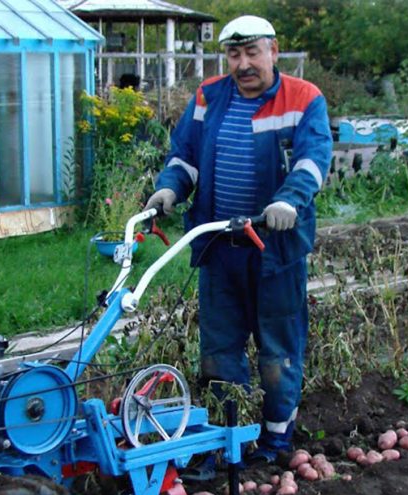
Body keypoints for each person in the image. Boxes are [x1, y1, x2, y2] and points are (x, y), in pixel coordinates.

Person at [144, 15, 332, 469]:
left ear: (273, 51)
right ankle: (227, 438)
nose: (244, 64)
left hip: (273, 250)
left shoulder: (303, 98)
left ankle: (274, 440)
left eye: (252, 53)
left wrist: (289, 200)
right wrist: (170, 188)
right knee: (219, 347)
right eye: (234, 54)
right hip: (218, 246)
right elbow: (185, 155)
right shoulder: (210, 95)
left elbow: (312, 159)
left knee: (278, 347)